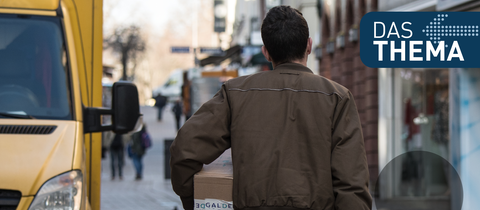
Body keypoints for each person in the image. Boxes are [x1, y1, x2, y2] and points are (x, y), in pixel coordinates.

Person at [170, 5, 371, 210]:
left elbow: (184, 151)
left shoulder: (235, 93)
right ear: (309, 45)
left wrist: (197, 199)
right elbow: (352, 186)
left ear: (266, 52)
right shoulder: (337, 98)